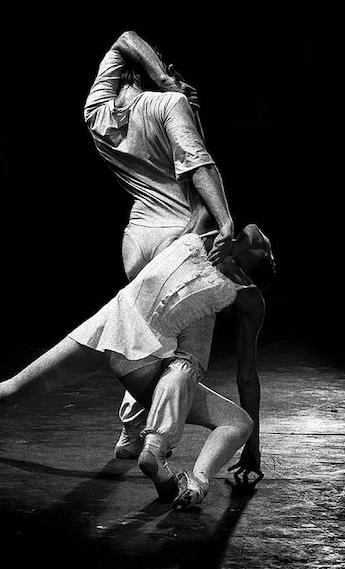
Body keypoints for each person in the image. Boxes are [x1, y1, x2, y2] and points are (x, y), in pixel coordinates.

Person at [0, 203, 275, 510]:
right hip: (112, 326)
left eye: (266, 248)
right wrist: (224, 221)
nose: (260, 239)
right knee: (11, 390)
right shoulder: (204, 230)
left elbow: (247, 376)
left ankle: (185, 475)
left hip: (143, 349)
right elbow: (200, 174)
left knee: (201, 384)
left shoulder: (246, 296)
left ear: (255, 267)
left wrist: (252, 448)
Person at [83, 30, 236, 466]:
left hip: (137, 240)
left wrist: (158, 77)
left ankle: (131, 431)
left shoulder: (96, 115)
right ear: (153, 71)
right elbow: (198, 164)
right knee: (187, 357)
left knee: (148, 343)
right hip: (178, 235)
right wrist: (224, 220)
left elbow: (124, 39)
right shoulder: (170, 104)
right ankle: (157, 444)